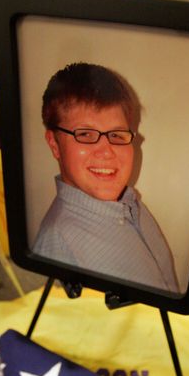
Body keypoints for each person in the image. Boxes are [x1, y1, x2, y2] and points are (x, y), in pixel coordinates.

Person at [33, 62, 179, 293]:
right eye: (86, 134)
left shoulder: (130, 202)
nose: (107, 150)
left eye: (117, 135)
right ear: (55, 145)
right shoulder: (60, 250)